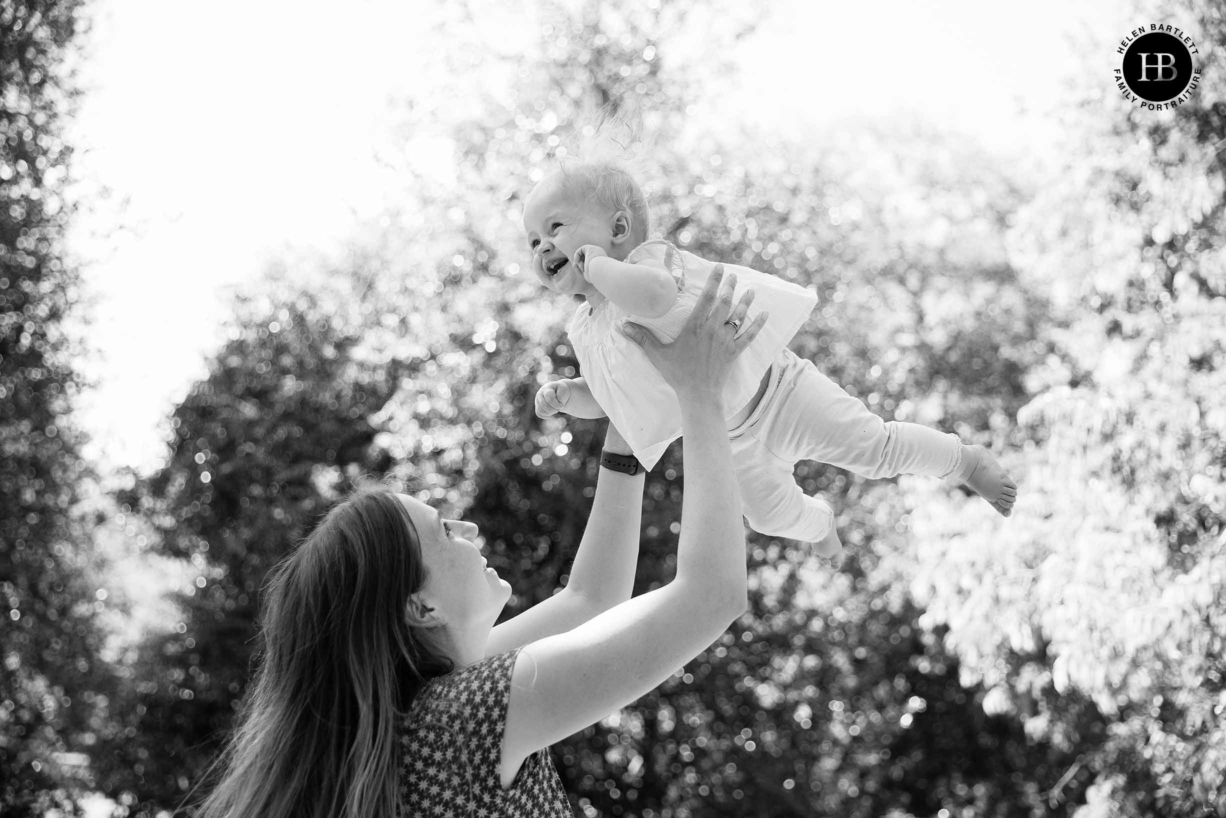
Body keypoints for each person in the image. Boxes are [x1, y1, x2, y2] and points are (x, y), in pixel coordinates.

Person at [193, 268, 766, 817]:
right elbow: (711, 595)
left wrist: (627, 430)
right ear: (420, 606)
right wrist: (699, 391)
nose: (467, 530)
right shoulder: (462, 718)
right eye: (443, 531)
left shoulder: (428, 710)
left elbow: (591, 602)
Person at [524, 159, 1017, 557]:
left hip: (783, 391)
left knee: (875, 450)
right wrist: (573, 396)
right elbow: (616, 400)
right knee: (767, 516)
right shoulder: (588, 329)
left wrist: (601, 266)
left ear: (618, 228)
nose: (543, 246)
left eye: (556, 226)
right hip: (726, 438)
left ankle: (963, 461)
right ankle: (819, 523)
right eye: (533, 242)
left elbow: (652, 299)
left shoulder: (646, 263)